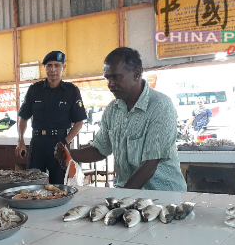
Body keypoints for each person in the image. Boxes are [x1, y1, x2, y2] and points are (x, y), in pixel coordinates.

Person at [54, 47, 186, 191]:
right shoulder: (112, 109)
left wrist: (121, 200)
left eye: (116, 77)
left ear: (136, 73)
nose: (110, 84)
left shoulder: (160, 106)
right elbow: (100, 150)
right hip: (127, 193)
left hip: (163, 196)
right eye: (108, 78)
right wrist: (69, 154)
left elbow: (150, 164)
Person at [15, 51, 87, 184]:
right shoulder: (34, 90)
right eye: (49, 65)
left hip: (59, 143)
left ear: (63, 68)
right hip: (37, 143)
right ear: (45, 68)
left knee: (59, 185)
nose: (53, 69)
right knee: (33, 184)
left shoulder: (71, 91)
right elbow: (23, 117)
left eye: (57, 65)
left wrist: (64, 143)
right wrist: (20, 140)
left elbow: (79, 122)